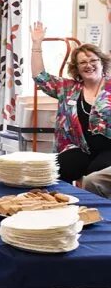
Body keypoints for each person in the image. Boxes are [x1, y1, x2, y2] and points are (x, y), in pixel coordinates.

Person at [32, 22, 111, 182]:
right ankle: (62, 203)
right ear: (77, 68)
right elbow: (40, 77)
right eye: (82, 62)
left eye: (93, 60)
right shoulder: (68, 88)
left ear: (102, 63)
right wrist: (36, 44)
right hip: (79, 148)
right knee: (57, 168)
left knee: (94, 174)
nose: (88, 65)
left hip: (108, 150)